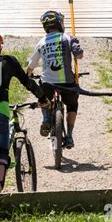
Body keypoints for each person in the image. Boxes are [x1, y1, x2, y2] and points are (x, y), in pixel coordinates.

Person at [0, 31, 43, 193]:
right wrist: (42, 97)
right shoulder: (9, 62)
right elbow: (27, 82)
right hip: (0, 111)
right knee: (1, 152)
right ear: (0, 46)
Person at [26, 11, 83, 149]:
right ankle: (69, 135)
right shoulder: (68, 37)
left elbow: (32, 65)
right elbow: (79, 55)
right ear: (60, 23)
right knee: (72, 105)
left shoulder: (41, 42)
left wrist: (28, 74)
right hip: (67, 82)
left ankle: (46, 118)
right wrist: (76, 49)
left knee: (43, 99)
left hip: (48, 83)